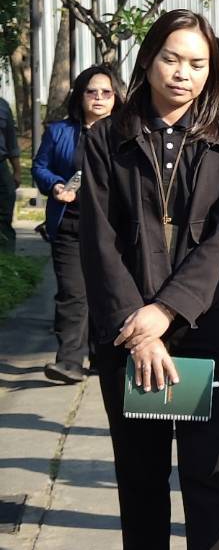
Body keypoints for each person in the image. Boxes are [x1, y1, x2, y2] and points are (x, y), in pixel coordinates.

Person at [79, 9, 219, 550]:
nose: (183, 73)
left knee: (208, 465)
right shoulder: (108, 137)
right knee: (142, 464)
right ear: (149, 59)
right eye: (172, 58)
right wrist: (140, 326)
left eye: (197, 63)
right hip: (129, 330)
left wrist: (169, 312)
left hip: (207, 324)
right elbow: (99, 240)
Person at [35, 64, 120, 384]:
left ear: (116, 97)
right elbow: (40, 167)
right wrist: (56, 185)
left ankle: (103, 356)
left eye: (106, 92)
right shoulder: (59, 131)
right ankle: (70, 361)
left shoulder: (125, 131)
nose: (98, 98)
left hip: (112, 228)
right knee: (73, 293)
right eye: (91, 92)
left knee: (109, 292)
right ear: (80, 96)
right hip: (70, 225)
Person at [0, 94, 19, 254]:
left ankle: (7, 260)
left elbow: (11, 141)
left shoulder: (3, 106)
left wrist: (17, 171)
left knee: (5, 214)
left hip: (1, 166)